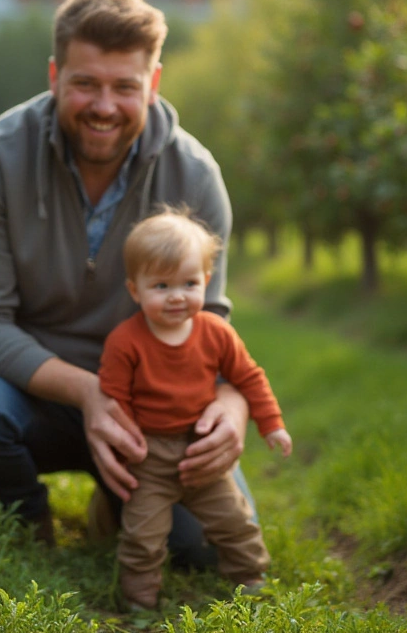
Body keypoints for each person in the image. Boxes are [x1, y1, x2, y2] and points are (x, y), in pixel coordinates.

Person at [0, 0, 253, 561]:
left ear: (152, 84)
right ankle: (25, 521)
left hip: (155, 408)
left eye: (125, 87)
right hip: (32, 395)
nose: (104, 105)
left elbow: (209, 326)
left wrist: (233, 403)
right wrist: (90, 393)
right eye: (85, 84)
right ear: (55, 75)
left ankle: (117, 501)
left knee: (202, 553)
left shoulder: (193, 175)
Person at [99, 208, 291, 609]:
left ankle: (250, 579)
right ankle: (139, 602)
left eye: (189, 283)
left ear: (206, 281)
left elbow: (248, 377)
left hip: (201, 450)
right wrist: (128, 444)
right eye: (161, 285)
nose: (177, 296)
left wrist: (271, 424)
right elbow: (115, 397)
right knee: (143, 535)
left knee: (235, 521)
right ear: (135, 290)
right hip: (149, 455)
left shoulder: (216, 332)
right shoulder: (126, 341)